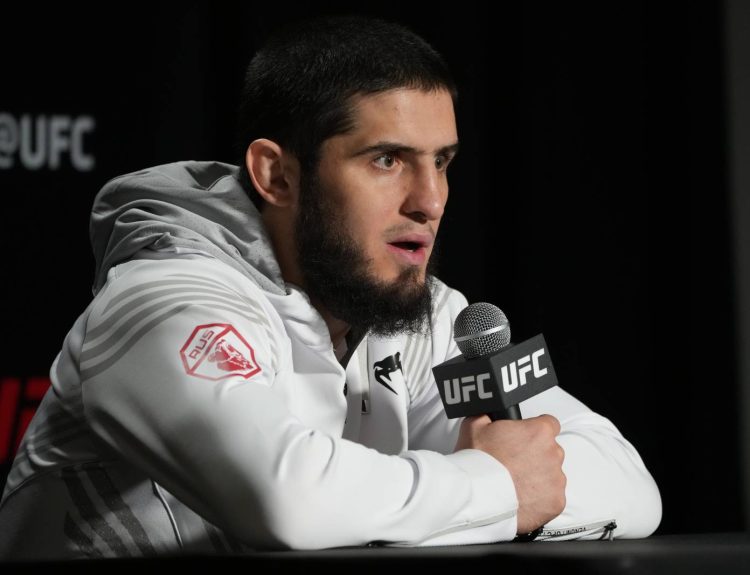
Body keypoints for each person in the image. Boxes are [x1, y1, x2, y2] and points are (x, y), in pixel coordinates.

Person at [0, 15, 661, 559]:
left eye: (442, 162)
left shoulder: (424, 315)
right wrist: (497, 487)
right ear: (277, 175)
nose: (431, 200)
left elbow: (628, 482)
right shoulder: (160, 300)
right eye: (387, 159)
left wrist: (502, 489)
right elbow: (284, 499)